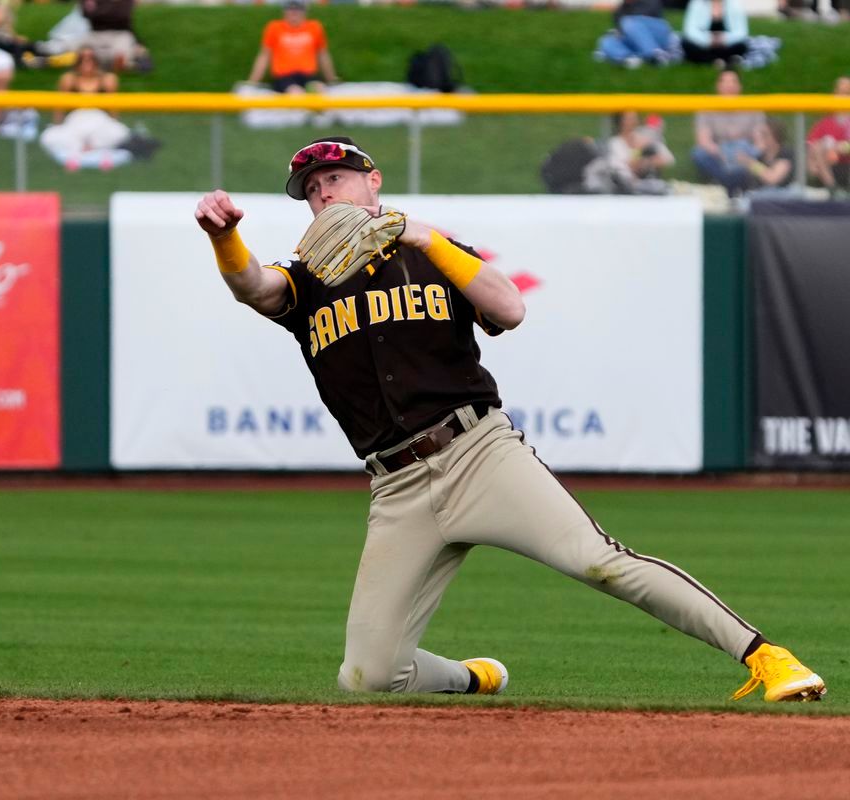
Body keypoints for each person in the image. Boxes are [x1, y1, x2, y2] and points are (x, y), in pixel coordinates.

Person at [192, 135, 826, 703]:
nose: (323, 191)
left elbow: (511, 308)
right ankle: (474, 679)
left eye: (335, 176)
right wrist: (224, 235)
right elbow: (254, 286)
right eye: (311, 188)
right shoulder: (308, 280)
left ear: (372, 180)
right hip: (397, 487)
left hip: (479, 452)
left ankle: (768, 658)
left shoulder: (433, 253)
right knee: (367, 676)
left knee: (600, 561)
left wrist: (425, 237)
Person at [691, 69, 764, 195]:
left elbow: (761, 142)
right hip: (719, 154)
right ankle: (730, 184)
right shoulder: (706, 106)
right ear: (718, 86)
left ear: (740, 86)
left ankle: (724, 186)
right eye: (724, 81)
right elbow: (703, 140)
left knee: (758, 153)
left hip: (744, 153)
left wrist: (746, 157)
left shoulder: (753, 106)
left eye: (733, 81)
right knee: (698, 153)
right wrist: (723, 154)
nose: (729, 85)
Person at [247, 0, 339, 95]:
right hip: (284, 77)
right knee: (295, 93)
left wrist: (332, 79)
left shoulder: (314, 27)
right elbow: (264, 56)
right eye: (290, 9)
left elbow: (323, 55)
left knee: (320, 90)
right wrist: (252, 82)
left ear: (305, 11)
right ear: (284, 11)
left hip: (308, 76)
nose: (294, 12)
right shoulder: (274, 28)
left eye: (298, 9)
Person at [606, 111, 675, 193]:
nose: (633, 121)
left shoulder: (644, 138)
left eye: (634, 118)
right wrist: (640, 154)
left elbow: (669, 159)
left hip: (648, 183)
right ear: (620, 121)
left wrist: (648, 161)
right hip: (624, 187)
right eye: (629, 119)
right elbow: (623, 168)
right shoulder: (615, 142)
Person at [595, 0, 679, 68]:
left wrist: (624, 28)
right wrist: (617, 33)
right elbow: (621, 30)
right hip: (637, 42)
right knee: (606, 40)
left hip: (658, 37)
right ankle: (628, 58)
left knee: (628, 22)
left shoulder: (650, 2)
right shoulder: (620, 10)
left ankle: (656, 55)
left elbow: (637, 24)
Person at [806, 76, 850, 196]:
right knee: (818, 147)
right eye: (840, 92)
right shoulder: (826, 121)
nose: (843, 97)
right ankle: (833, 190)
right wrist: (811, 163)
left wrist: (835, 148)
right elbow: (812, 146)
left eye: (847, 93)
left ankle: (834, 190)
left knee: (827, 147)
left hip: (846, 164)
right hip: (827, 167)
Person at [735, 118, 795, 195]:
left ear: (775, 136)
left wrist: (749, 162)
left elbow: (772, 178)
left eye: (764, 134)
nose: (759, 137)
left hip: (781, 199)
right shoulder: (759, 157)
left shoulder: (786, 153)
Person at [682, 0, 750, 66]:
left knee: (742, 45)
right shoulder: (697, 3)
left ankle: (710, 60)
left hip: (727, 44)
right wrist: (709, 40)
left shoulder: (735, 4)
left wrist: (724, 39)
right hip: (703, 44)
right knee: (687, 44)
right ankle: (723, 60)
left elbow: (742, 32)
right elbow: (690, 31)